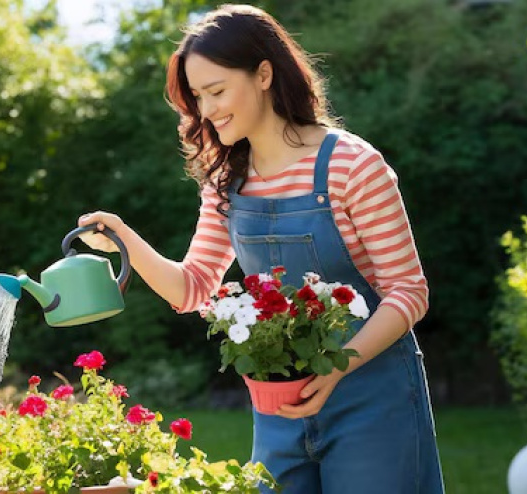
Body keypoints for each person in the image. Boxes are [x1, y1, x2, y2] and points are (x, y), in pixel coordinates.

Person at [77, 4, 445, 493]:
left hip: (372, 399)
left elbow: (408, 291)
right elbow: (191, 289)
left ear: (264, 74)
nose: (206, 110)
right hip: (279, 407)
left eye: (216, 91)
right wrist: (122, 237)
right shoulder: (227, 182)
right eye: (197, 97)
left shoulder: (353, 166)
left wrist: (337, 368)